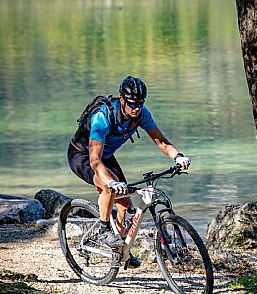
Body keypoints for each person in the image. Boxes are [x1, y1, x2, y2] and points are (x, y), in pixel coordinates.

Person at [67, 76, 191, 268]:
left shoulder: (141, 114)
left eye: (140, 103)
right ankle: (103, 228)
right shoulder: (102, 118)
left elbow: (162, 142)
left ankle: (121, 251)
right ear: (122, 99)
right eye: (132, 103)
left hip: (105, 155)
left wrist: (178, 156)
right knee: (110, 187)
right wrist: (109, 182)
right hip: (83, 155)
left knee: (125, 205)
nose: (136, 108)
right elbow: (94, 160)